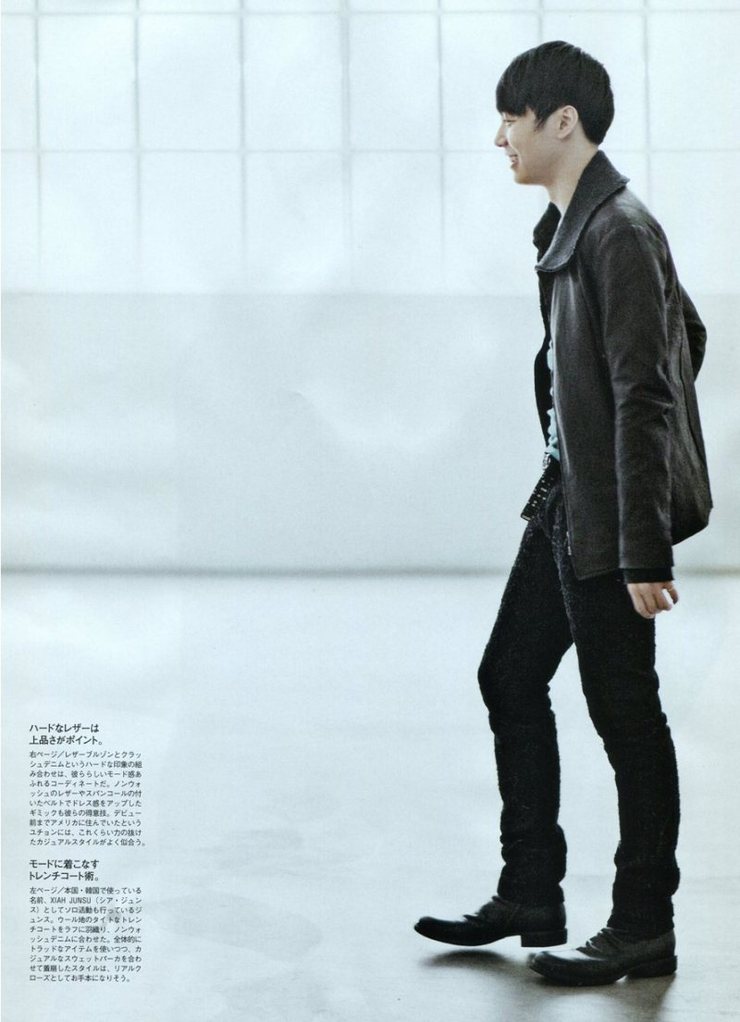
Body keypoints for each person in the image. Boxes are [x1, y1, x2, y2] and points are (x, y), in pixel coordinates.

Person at [414, 40, 712, 986]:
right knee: (509, 676)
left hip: (610, 521)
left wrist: (642, 547)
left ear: (562, 122)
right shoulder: (571, 227)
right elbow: (685, 333)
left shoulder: (618, 230)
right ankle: (532, 893)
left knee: (625, 717)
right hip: (568, 501)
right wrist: (575, 439)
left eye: (511, 119)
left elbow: (648, 389)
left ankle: (643, 926)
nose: (499, 137)